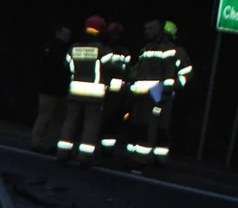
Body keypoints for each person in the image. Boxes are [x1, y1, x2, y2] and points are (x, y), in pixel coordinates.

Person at [125, 19, 193, 165]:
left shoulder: (174, 51)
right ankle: (143, 156)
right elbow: (135, 71)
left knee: (151, 126)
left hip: (159, 96)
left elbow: (186, 73)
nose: (148, 32)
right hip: (144, 96)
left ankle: (142, 158)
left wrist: (170, 88)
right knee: (143, 125)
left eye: (151, 29)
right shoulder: (146, 49)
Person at [57, 15, 113, 165]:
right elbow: (112, 67)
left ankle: (63, 152)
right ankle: (84, 156)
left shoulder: (74, 47)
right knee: (90, 124)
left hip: (75, 90)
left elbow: (65, 64)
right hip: (94, 93)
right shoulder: (103, 50)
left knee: (70, 121)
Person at [30, 23, 72, 154]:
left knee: (57, 119)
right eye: (65, 34)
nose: (67, 37)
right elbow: (47, 67)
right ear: (58, 32)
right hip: (49, 88)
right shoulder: (51, 47)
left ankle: (51, 143)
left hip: (60, 89)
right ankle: (37, 142)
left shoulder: (65, 48)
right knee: (45, 116)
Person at [99, 22, 132, 156]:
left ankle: (107, 148)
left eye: (117, 34)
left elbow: (127, 71)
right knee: (100, 119)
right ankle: (99, 145)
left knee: (111, 121)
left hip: (115, 94)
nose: (115, 36)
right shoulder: (104, 49)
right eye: (113, 34)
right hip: (103, 90)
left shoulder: (124, 52)